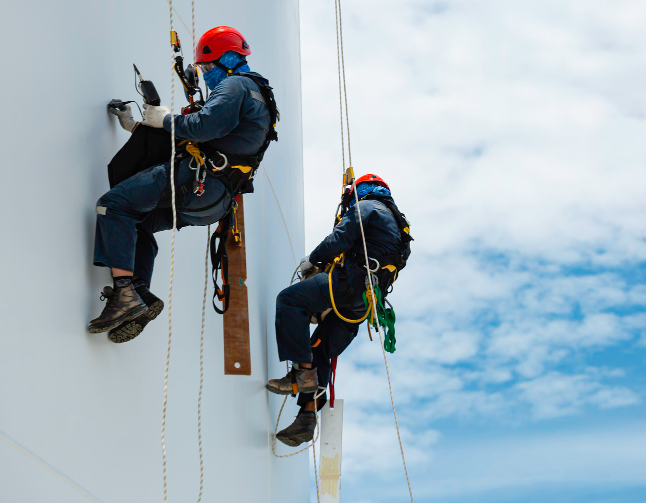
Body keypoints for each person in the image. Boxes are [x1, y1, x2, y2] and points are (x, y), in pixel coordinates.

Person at [88, 25, 276, 343]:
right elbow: (206, 140)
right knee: (139, 223)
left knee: (114, 205)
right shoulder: (261, 102)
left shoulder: (236, 86)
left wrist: (162, 119)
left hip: (197, 181)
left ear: (229, 58)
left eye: (206, 67)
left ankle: (124, 294)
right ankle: (139, 296)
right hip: (213, 201)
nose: (204, 74)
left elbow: (201, 128)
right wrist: (136, 127)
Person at [266, 173, 410, 446]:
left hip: (347, 285)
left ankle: (303, 373)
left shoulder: (366, 207)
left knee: (290, 301)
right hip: (362, 306)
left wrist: (314, 259)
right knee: (318, 348)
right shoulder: (400, 228)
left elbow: (340, 238)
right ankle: (307, 418)